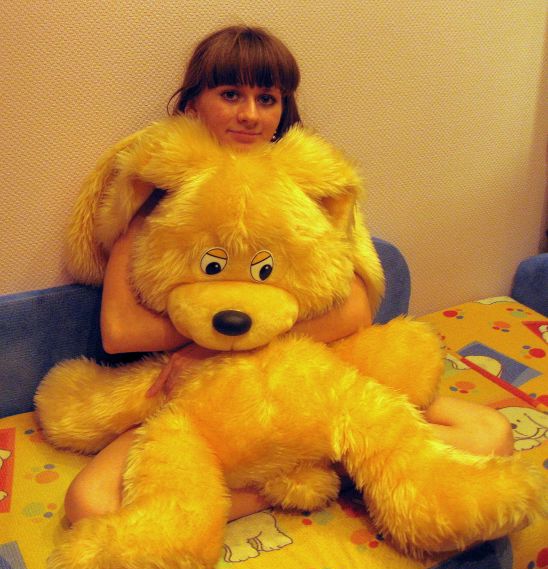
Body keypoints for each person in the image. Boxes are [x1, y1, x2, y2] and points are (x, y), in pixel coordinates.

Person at [64, 25, 513, 525]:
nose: (250, 114)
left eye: (267, 98)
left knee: (489, 435)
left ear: (283, 110)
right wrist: (209, 354)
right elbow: (120, 330)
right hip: (199, 395)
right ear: (192, 104)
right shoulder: (156, 192)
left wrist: (226, 343)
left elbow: (356, 309)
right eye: (230, 94)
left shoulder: (307, 191)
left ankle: (314, 464)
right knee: (90, 504)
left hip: (301, 379)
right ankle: (305, 476)